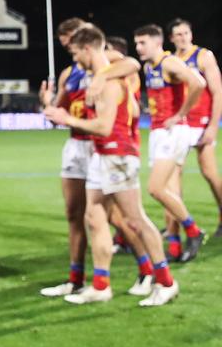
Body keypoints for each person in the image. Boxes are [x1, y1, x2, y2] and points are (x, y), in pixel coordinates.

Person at [43, 25, 179, 306]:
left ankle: (166, 281)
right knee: (93, 217)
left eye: (76, 52)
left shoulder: (110, 81)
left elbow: (104, 127)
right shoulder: (100, 77)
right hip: (101, 155)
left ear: (88, 49)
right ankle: (101, 285)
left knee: (135, 220)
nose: (75, 58)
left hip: (117, 154)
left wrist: (68, 120)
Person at [37, 19, 139, 295]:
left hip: (98, 143)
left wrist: (103, 76)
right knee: (74, 214)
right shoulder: (69, 73)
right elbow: (59, 114)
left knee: (115, 216)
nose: (68, 48)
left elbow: (133, 64)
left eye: (70, 43)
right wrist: (48, 104)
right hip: (75, 145)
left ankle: (147, 269)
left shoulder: (107, 61)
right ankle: (76, 279)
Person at [134, 24, 207, 262]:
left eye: (143, 42)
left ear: (157, 43)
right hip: (158, 131)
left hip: (173, 131)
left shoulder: (169, 63)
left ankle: (193, 230)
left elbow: (198, 83)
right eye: (136, 43)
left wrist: (180, 114)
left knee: (156, 188)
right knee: (170, 191)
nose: (138, 47)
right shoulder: (148, 66)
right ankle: (175, 245)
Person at [169, 18, 222, 235]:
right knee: (172, 176)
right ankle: (175, 224)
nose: (183, 37)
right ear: (171, 38)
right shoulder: (170, 60)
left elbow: (217, 91)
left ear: (191, 34)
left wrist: (213, 126)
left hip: (200, 123)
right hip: (180, 124)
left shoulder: (203, 56)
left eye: (186, 33)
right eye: (178, 34)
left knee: (209, 172)